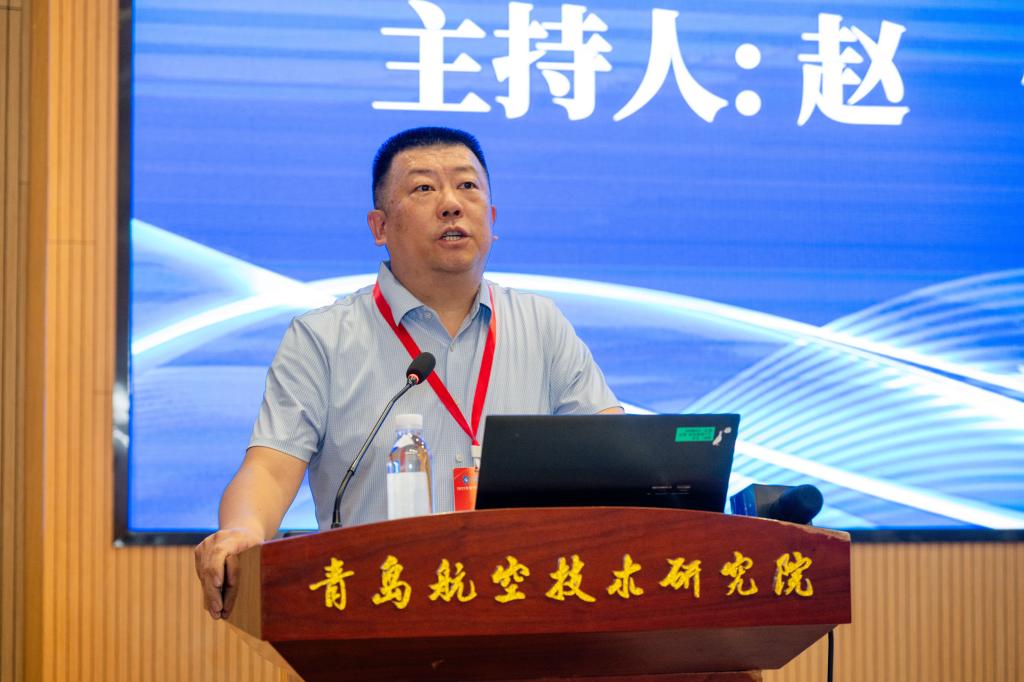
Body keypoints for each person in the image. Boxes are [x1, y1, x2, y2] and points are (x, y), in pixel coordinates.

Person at [194, 127, 622, 620]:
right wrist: (243, 532)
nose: (451, 204)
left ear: (492, 219)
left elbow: (611, 453)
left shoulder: (540, 324)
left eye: (467, 186)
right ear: (379, 226)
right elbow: (270, 467)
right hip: (377, 606)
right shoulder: (323, 337)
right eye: (424, 188)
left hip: (523, 605)